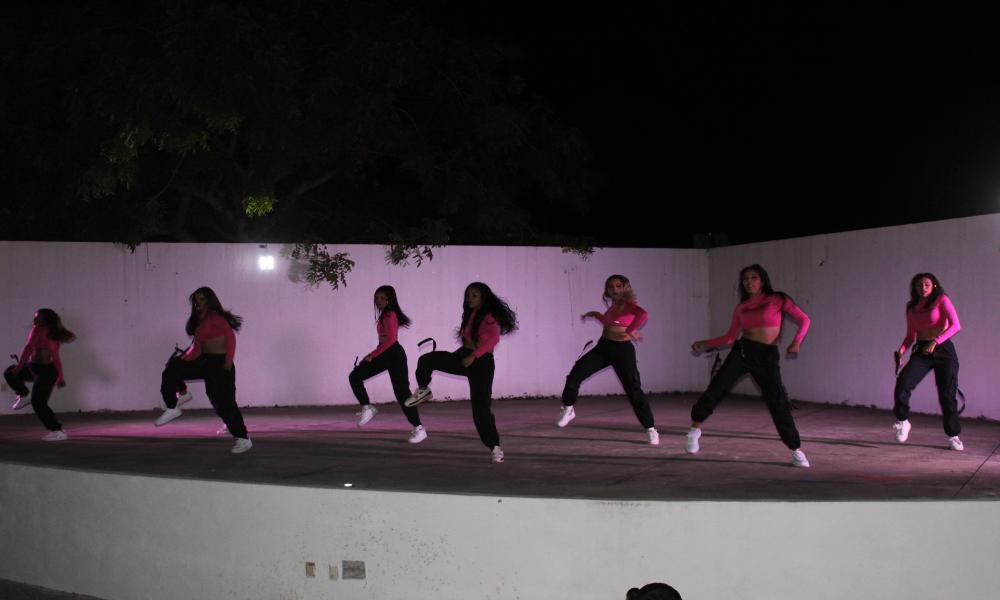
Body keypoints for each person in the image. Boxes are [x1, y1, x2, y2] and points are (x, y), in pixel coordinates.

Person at [688, 264, 811, 467]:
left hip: (767, 356)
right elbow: (729, 338)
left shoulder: (777, 299)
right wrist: (705, 343)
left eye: (754, 277)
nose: (749, 281)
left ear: (762, 280)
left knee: (777, 400)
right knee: (717, 388)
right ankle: (694, 430)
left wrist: (796, 341)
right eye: (745, 278)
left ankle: (795, 449)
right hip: (743, 351)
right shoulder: (741, 307)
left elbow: (804, 319)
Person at [405, 282, 517, 463]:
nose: (469, 298)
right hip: (464, 356)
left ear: (483, 298)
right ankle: (424, 390)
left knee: (480, 410)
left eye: (474, 295)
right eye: (468, 295)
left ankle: (495, 447)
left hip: (481, 363)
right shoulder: (470, 314)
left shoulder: (489, 316)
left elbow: (494, 339)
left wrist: (474, 355)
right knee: (427, 360)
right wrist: (466, 353)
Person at [557, 274, 659, 445]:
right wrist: (596, 314)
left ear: (626, 287)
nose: (615, 290)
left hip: (622, 351)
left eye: (619, 286)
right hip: (603, 348)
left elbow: (643, 315)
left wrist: (631, 330)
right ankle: (568, 408)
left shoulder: (628, 305)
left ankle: (650, 428)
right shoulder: (613, 306)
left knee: (634, 390)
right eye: (611, 287)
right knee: (575, 375)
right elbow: (609, 321)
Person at [157, 287, 252, 453]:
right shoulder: (199, 319)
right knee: (172, 368)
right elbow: (199, 346)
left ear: (209, 300)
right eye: (195, 300)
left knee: (222, 402)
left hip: (220, 363)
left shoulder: (215, 316)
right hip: (205, 361)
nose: (198, 303)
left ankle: (243, 438)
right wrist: (185, 358)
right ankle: (175, 404)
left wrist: (228, 360)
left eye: (201, 299)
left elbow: (230, 337)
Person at [892, 273, 964, 450]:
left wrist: (936, 341)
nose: (922, 288)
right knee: (903, 383)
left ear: (934, 286)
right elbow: (910, 336)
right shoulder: (912, 307)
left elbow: (956, 325)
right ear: (914, 288)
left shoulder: (941, 300)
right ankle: (903, 421)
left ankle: (953, 436)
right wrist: (901, 351)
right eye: (918, 285)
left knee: (947, 395)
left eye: (926, 284)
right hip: (922, 350)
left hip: (944, 350)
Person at [349, 285, 427, 443]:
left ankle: (419, 428)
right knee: (356, 376)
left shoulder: (389, 315)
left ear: (389, 299)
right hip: (387, 353)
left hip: (393, 354)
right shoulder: (385, 315)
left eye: (381, 298)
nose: (378, 301)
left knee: (402, 393)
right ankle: (367, 407)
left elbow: (391, 340)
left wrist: (373, 354)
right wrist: (376, 352)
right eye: (376, 298)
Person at [4, 309, 76, 440]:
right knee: (9, 373)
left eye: (37, 317)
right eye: (34, 317)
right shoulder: (51, 333)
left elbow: (28, 348)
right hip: (34, 369)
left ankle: (57, 431)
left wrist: (19, 368)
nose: (34, 319)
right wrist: (60, 377)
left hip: (45, 373)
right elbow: (56, 358)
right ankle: (23, 394)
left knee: (38, 403)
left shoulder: (39, 330)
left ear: (44, 319)